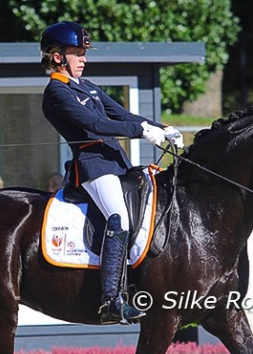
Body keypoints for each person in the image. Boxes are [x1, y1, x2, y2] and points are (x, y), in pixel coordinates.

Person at [40, 21, 184, 325]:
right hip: (93, 167)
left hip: (117, 164)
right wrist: (140, 132)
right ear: (57, 57)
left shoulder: (88, 87)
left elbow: (122, 115)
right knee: (118, 217)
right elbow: (95, 125)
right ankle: (111, 300)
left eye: (83, 53)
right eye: (77, 53)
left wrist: (161, 127)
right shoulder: (56, 92)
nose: (83, 59)